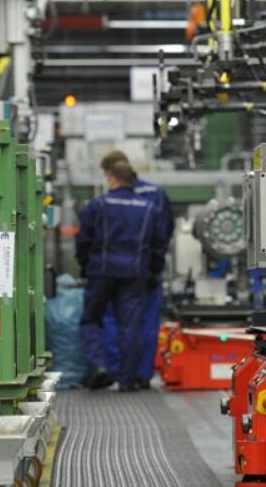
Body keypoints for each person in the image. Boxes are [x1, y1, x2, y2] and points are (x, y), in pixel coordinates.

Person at [75, 160, 167, 392]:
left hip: (101, 273)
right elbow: (159, 244)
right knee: (131, 326)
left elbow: (83, 240)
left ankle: (99, 367)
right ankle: (127, 381)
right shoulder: (149, 208)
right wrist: (152, 271)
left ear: (112, 178)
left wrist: (85, 266)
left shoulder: (97, 205)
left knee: (91, 320)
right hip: (135, 274)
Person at [99, 150, 174, 390]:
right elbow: (165, 233)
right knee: (148, 322)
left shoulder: (109, 200)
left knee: (113, 319)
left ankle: (119, 371)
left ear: (111, 173)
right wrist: (155, 267)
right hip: (148, 271)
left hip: (115, 271)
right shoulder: (156, 193)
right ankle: (143, 374)